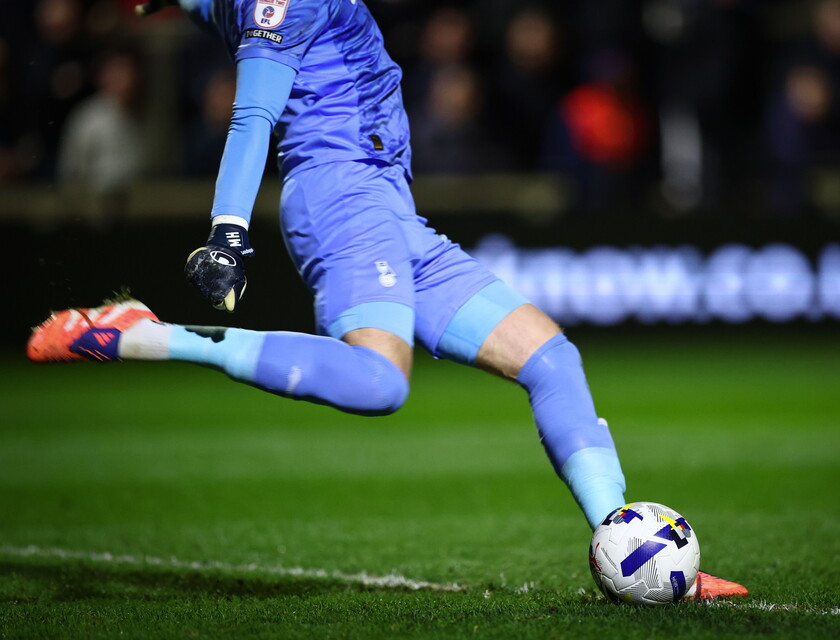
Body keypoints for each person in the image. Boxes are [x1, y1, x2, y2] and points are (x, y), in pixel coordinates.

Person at [27, 0, 745, 601]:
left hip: (389, 207)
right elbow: (253, 117)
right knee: (378, 383)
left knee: (552, 359)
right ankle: (150, 334)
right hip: (342, 198)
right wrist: (227, 233)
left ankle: (632, 551)